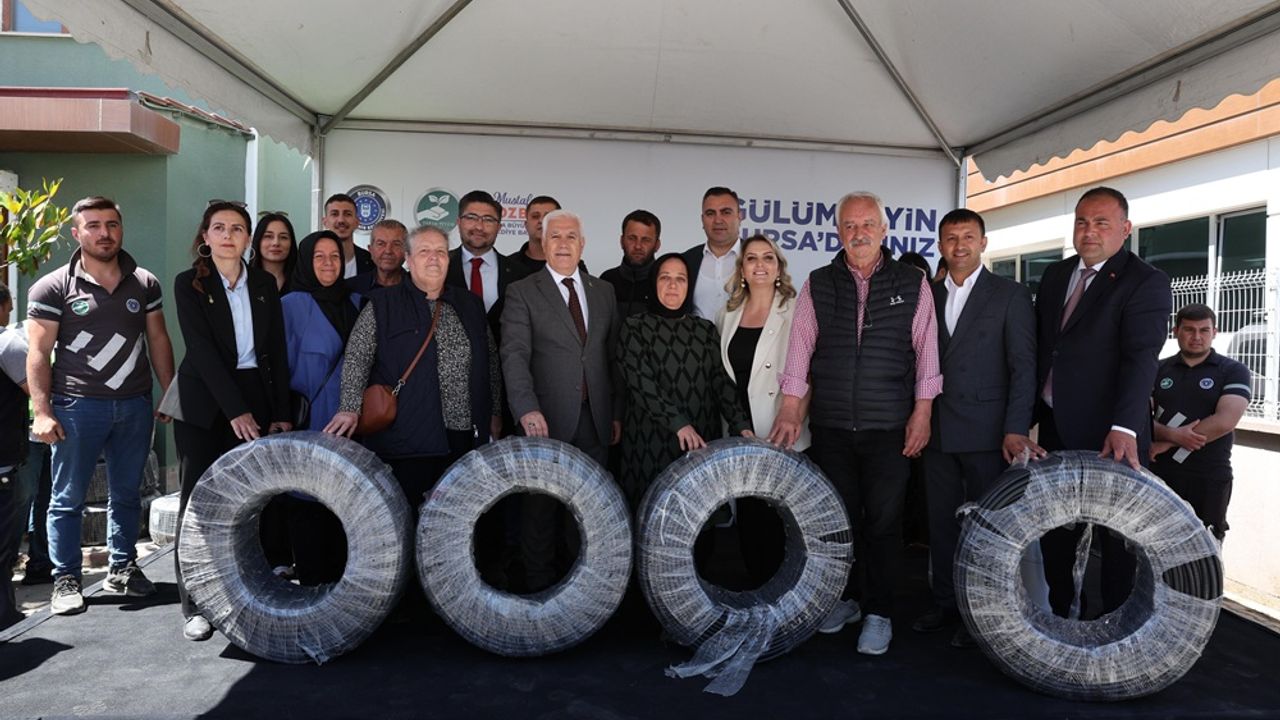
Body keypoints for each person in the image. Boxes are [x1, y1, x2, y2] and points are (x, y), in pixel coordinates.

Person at [771, 191, 942, 656]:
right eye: (849, 225)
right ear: (838, 232)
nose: (859, 233)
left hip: (889, 428)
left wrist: (922, 414)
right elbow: (801, 349)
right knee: (837, 521)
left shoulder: (912, 282)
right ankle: (844, 600)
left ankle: (879, 612)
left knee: (884, 524)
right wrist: (790, 408)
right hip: (831, 426)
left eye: (867, 224)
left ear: (884, 230)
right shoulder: (819, 283)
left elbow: (927, 354)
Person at [26, 196, 175, 618]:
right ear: (77, 233)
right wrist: (42, 411)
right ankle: (66, 578)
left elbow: (158, 339)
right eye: (93, 225)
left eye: (111, 224)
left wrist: (171, 392)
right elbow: (38, 353)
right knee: (67, 499)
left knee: (127, 494)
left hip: (134, 404)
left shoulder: (144, 282)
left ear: (121, 229)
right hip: (77, 407)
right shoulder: (52, 287)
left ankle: (123, 567)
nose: (104, 233)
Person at [1034, 186, 1171, 618]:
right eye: (1081, 222)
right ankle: (1061, 619)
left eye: (1101, 223)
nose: (1089, 231)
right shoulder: (1056, 275)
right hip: (1055, 429)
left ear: (1125, 229)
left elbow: (1141, 359)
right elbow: (1044, 351)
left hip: (1113, 435)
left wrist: (1125, 426)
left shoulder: (1144, 281)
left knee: (1117, 542)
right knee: (1057, 535)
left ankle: (1113, 626)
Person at [914, 209, 1039, 647]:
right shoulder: (925, 294)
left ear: (983, 243)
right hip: (937, 429)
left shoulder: (1010, 294)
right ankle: (946, 604)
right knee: (941, 524)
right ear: (940, 245)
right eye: (951, 238)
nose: (960, 245)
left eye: (968, 237)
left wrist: (1016, 427)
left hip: (990, 433)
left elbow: (1024, 366)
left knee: (989, 526)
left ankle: (983, 612)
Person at [172, 201, 292, 640]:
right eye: (219, 228)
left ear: (247, 239)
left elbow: (276, 351)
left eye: (237, 228)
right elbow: (201, 351)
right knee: (199, 501)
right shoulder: (188, 283)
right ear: (205, 236)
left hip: (257, 394)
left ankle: (258, 583)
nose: (228, 235)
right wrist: (235, 409)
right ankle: (194, 604)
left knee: (256, 494)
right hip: (204, 402)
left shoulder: (263, 283)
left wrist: (280, 412)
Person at [328, 225, 500, 508]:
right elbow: (357, 357)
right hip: (407, 437)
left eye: (440, 252)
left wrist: (494, 412)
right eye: (424, 251)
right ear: (408, 259)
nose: (434, 258)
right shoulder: (383, 304)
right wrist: (349, 407)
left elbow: (490, 361)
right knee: (405, 515)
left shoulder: (470, 304)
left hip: (464, 436)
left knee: (457, 515)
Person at [501, 210, 622, 591]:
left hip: (596, 421)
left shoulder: (604, 291)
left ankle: (582, 592)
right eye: (555, 236)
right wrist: (526, 409)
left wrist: (616, 412)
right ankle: (539, 592)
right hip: (545, 421)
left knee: (589, 512)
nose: (564, 243)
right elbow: (514, 355)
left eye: (571, 236)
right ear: (543, 242)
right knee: (540, 511)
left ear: (582, 244)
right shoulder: (522, 291)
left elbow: (611, 358)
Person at [617, 253, 752, 507]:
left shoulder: (705, 329)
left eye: (681, 279)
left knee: (698, 514)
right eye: (665, 278)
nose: (672, 285)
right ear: (653, 282)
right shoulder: (634, 327)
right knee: (653, 513)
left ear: (689, 286)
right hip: (650, 441)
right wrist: (679, 424)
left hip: (700, 439)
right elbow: (642, 383)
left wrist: (740, 424)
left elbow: (720, 381)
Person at [281, 231, 362, 583]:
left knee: (347, 504)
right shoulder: (291, 305)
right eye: (319, 256)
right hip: (311, 423)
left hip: (356, 425)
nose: (329, 263)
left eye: (335, 256)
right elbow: (279, 368)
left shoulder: (357, 301)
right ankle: (313, 584)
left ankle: (344, 586)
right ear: (305, 262)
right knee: (308, 503)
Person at [1150, 303, 1251, 542]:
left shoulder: (1232, 370)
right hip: (1160, 474)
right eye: (1189, 329)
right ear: (1176, 331)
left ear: (1214, 333)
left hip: (1208, 475)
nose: (1197, 337)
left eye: (1204, 330)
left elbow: (1225, 421)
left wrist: (1167, 441)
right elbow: (1139, 416)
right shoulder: (1156, 369)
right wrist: (1172, 434)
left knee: (1205, 547)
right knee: (1155, 543)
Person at [0, 280, 30, 629]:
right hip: (3, 464)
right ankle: (5, 617)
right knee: (3, 547)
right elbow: (37, 387)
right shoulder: (8, 343)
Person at [446, 190, 519, 326]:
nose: (479, 227)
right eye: (471, 218)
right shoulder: (440, 267)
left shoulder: (520, 274)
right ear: (459, 222)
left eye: (488, 220)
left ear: (499, 227)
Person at [683, 186, 743, 320]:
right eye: (710, 213)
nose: (718, 220)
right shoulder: (686, 261)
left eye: (726, 212)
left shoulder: (758, 259)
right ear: (702, 219)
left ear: (739, 216)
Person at [601, 209, 662, 318]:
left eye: (646, 240)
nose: (638, 246)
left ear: (657, 245)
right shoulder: (606, 281)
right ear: (622, 241)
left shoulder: (665, 284)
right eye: (632, 238)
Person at [347, 219, 407, 296]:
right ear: (370, 250)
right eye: (381, 244)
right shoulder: (350, 289)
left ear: (407, 250)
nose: (388, 251)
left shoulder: (418, 287)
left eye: (396, 244)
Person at [509, 195, 562, 280]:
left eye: (548, 217)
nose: (541, 221)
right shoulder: (507, 265)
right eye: (535, 216)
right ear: (526, 225)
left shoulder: (574, 265)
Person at [322, 193, 375, 279]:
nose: (341, 220)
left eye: (347, 214)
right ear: (325, 222)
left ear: (357, 222)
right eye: (334, 214)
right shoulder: (312, 261)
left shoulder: (371, 261)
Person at [250, 211, 297, 294]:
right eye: (268, 236)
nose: (276, 243)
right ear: (258, 240)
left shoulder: (302, 282)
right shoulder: (244, 280)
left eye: (283, 237)